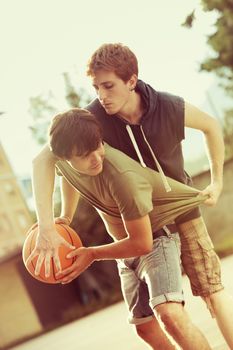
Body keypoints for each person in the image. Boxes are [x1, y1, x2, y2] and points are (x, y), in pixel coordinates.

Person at [31, 43, 233, 349]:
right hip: (135, 223)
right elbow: (46, 161)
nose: (101, 95)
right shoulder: (92, 118)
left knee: (211, 292)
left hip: (180, 210)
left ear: (131, 80)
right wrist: (50, 224)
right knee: (148, 325)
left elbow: (211, 125)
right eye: (96, 87)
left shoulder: (167, 106)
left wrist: (216, 182)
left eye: (109, 86)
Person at [28, 108, 211, 349]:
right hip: (126, 251)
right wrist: (65, 217)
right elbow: (67, 176)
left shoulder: (122, 178)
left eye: (98, 146)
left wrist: (92, 254)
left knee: (169, 314)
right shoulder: (69, 163)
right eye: (85, 154)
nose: (96, 157)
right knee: (145, 328)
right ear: (65, 158)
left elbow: (143, 243)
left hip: (156, 241)